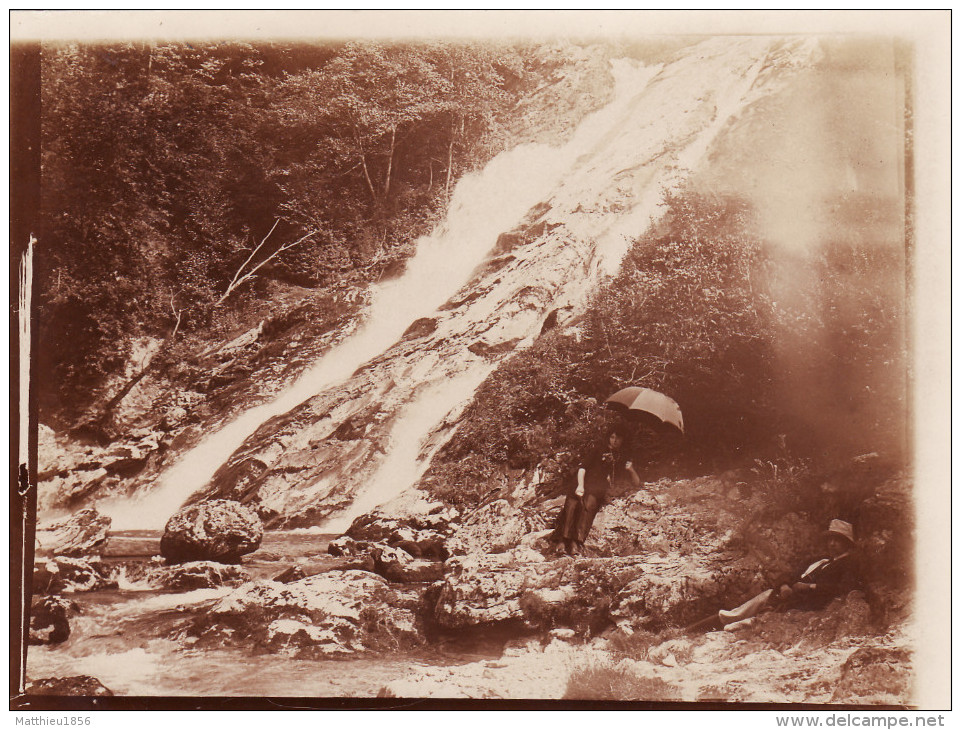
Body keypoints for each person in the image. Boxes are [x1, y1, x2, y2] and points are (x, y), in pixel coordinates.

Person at [687, 519, 860, 632]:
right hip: (784, 597)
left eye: (836, 540)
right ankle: (690, 631)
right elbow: (790, 575)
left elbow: (842, 588)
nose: (832, 544)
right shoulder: (820, 560)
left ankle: (697, 631)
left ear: (846, 543)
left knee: (736, 621)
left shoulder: (848, 564)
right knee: (737, 614)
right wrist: (784, 585)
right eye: (830, 539)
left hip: (806, 603)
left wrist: (810, 587)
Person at [551, 424, 641, 556]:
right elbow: (582, 469)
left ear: (623, 440)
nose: (614, 441)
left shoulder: (622, 456)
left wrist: (631, 469)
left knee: (588, 505)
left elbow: (637, 482)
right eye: (612, 437)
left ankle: (576, 542)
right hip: (581, 483)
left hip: (597, 487)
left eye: (618, 438)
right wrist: (580, 486)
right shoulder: (598, 450)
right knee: (572, 504)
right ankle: (563, 541)